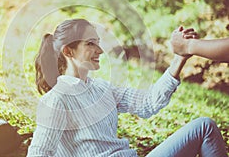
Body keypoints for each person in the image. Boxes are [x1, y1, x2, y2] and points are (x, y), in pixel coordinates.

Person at [27, 19, 227, 157]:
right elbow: (39, 153)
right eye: (90, 44)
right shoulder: (56, 100)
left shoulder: (101, 88)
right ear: (68, 51)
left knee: (204, 127)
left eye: (98, 43)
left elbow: (148, 103)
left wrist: (180, 58)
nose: (100, 50)